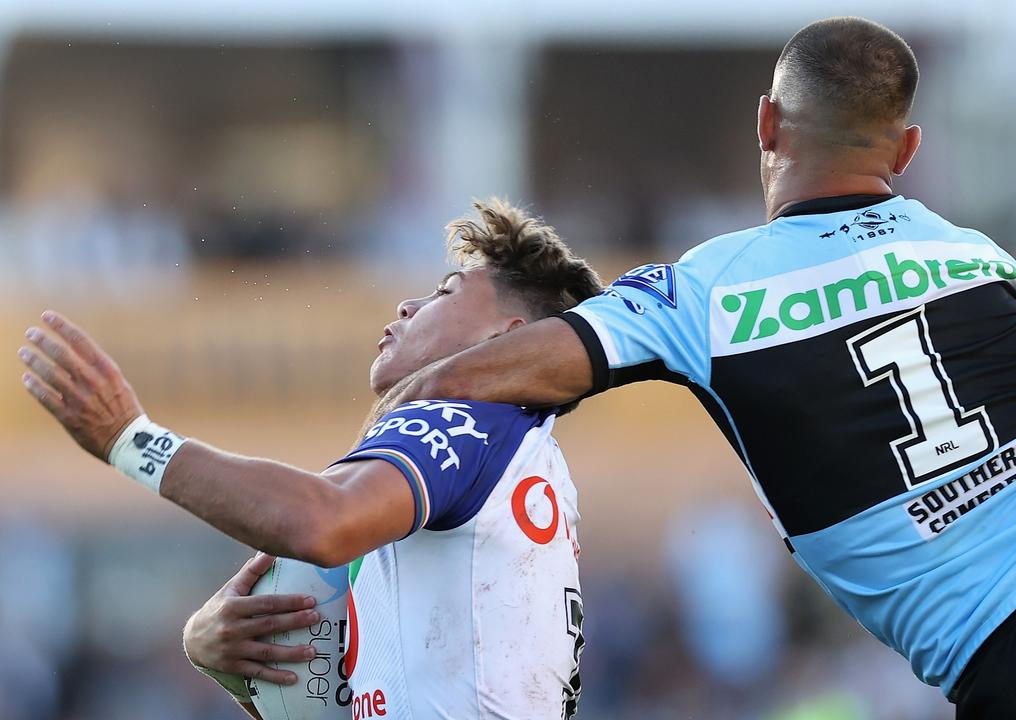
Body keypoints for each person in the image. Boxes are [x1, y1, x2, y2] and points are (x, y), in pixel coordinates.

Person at [369, 18, 1016, 720]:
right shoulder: (972, 253)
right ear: (908, 150)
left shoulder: (702, 291)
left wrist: (402, 402)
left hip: (1001, 653)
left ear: (767, 121)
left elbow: (510, 369)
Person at [18, 200, 599, 719]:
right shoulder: (524, 458)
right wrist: (230, 664)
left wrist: (132, 442)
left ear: (507, 335)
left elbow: (322, 523)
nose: (408, 303)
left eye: (445, 292)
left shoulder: (463, 420)